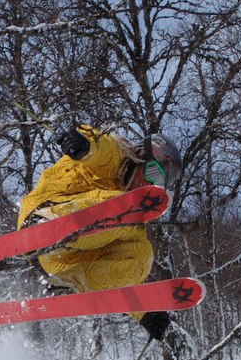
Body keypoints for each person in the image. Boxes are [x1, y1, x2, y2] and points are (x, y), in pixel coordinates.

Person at [17, 122, 182, 340]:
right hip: (45, 214)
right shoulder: (113, 157)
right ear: (139, 155)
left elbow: (122, 272)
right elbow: (100, 147)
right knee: (120, 205)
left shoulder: (132, 217)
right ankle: (51, 226)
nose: (149, 184)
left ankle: (70, 284)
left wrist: (145, 312)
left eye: (159, 184)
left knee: (142, 254)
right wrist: (83, 144)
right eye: (152, 172)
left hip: (58, 262)